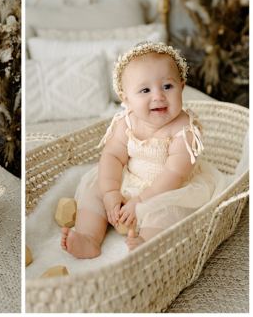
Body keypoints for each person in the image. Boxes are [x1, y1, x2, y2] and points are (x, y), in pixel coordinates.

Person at [61, 42, 225, 258]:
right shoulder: (126, 122)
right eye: (145, 90)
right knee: (93, 191)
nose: (158, 96)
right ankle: (89, 237)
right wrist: (110, 192)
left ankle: (147, 245)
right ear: (126, 99)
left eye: (168, 86)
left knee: (167, 213)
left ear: (182, 86)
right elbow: (111, 156)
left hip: (168, 189)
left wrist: (140, 202)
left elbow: (173, 174)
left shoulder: (185, 130)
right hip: (130, 180)